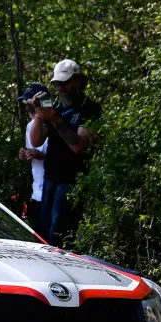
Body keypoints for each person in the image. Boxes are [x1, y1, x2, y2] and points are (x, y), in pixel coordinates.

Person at [30, 59, 102, 247]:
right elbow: (36, 141)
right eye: (57, 85)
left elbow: (79, 146)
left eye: (65, 83)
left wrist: (54, 120)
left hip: (71, 181)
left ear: (78, 81)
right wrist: (39, 114)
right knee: (42, 235)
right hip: (50, 179)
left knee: (59, 235)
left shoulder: (90, 109)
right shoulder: (57, 107)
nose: (61, 89)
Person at [16, 84, 49, 230]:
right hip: (36, 191)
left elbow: (64, 156)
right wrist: (25, 155)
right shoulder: (30, 126)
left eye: (30, 102)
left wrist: (42, 155)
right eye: (26, 103)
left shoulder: (54, 123)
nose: (28, 107)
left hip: (52, 189)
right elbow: (32, 154)